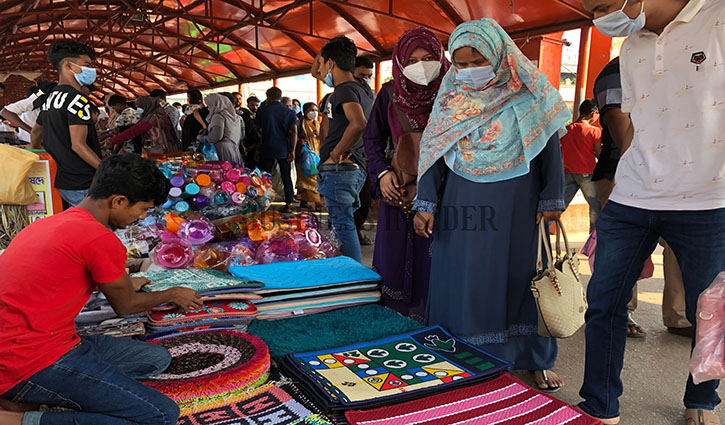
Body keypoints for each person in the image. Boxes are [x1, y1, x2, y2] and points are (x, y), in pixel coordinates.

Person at [579, 1, 725, 424]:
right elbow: (638, 127)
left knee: (709, 312)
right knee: (604, 303)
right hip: (632, 197)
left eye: (602, 5)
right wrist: (616, 194)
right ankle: (599, 405)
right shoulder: (631, 45)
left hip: (707, 200)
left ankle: (701, 399)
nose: (597, 16)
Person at [413, 19, 570, 392]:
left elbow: (550, 146)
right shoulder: (451, 97)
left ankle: (533, 360)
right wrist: (426, 203)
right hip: (462, 203)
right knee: (465, 279)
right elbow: (433, 153)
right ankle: (461, 355)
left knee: (523, 280)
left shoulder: (531, 93)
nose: (468, 72)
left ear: (498, 54)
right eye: (461, 63)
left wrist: (552, 198)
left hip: (520, 203)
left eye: (477, 60)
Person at [0, 154, 201, 425]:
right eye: (141, 209)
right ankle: (14, 419)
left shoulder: (55, 221)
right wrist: (173, 294)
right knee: (161, 414)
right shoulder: (99, 239)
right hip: (26, 360)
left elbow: (64, 278)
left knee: (155, 359)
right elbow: (126, 306)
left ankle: (36, 393)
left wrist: (128, 283)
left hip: (46, 341)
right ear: (117, 201)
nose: (140, 217)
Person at [363, 27, 449, 323]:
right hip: (398, 190)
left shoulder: (455, 93)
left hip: (445, 194)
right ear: (399, 62)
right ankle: (394, 326)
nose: (420, 66)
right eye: (411, 60)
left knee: (437, 261)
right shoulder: (388, 94)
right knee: (395, 258)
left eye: (427, 57)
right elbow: (372, 140)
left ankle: (437, 326)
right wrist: (383, 173)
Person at [315, 36, 374, 262]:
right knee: (341, 223)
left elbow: (358, 123)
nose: (319, 71)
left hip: (341, 168)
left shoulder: (345, 90)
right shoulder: (361, 89)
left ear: (330, 63)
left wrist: (336, 152)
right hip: (352, 166)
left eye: (321, 63)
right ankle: (346, 272)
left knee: (342, 224)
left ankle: (353, 277)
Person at [33, 41, 103, 207]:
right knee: (96, 227)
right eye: (86, 65)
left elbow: (36, 132)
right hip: (83, 181)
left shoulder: (51, 98)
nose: (91, 70)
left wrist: (39, 157)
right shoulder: (77, 99)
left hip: (63, 180)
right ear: (67, 65)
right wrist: (106, 169)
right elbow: (78, 145)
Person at [560, 98, 602, 233]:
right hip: (587, 174)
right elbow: (598, 153)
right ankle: (593, 242)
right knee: (595, 207)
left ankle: (541, 234)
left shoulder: (566, 130)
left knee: (559, 206)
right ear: (594, 113)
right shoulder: (594, 131)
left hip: (567, 172)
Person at [255, 87, 297, 212]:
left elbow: (256, 128)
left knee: (264, 177)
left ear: (268, 96)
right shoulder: (290, 112)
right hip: (284, 147)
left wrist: (264, 134)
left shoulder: (263, 110)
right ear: (280, 96)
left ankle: (263, 203)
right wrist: (293, 150)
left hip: (267, 146)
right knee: (286, 176)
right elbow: (294, 131)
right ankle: (289, 204)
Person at [352, 55, 376, 245]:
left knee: (365, 200)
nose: (365, 80)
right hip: (347, 158)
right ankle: (349, 236)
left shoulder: (374, 97)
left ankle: (357, 228)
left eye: (369, 76)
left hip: (368, 156)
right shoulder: (341, 96)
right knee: (346, 201)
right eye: (361, 75)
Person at [109, 96, 179, 154]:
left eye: (140, 107)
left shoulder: (151, 119)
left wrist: (112, 141)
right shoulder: (160, 115)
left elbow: (133, 131)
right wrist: (120, 129)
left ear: (147, 106)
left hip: (158, 151)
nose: (138, 110)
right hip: (170, 147)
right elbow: (135, 126)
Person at [204, 93, 244, 164]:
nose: (208, 108)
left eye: (210, 105)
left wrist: (201, 138)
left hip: (222, 151)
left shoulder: (218, 117)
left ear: (216, 105)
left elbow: (216, 137)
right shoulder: (236, 117)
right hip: (234, 150)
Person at [296, 102, 322, 211]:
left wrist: (319, 134)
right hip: (304, 155)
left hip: (316, 155)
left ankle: (304, 201)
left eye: (316, 110)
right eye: (312, 110)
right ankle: (316, 203)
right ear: (305, 111)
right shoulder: (300, 124)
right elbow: (294, 137)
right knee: (310, 178)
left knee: (312, 177)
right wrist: (300, 142)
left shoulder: (317, 124)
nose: (314, 113)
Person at [241, 95, 261, 168]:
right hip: (247, 143)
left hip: (256, 143)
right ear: (248, 105)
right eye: (252, 105)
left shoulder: (259, 116)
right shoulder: (244, 116)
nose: (255, 107)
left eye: (256, 105)